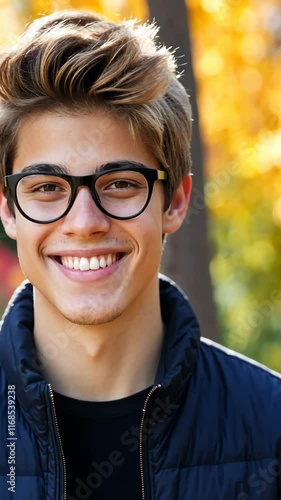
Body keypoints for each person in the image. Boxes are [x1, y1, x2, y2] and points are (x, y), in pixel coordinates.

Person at [0, 9, 280, 500]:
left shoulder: (272, 427)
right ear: (8, 209)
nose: (84, 223)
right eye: (46, 186)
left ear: (175, 201)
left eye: (121, 183)